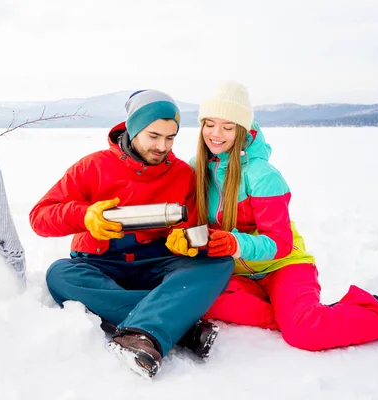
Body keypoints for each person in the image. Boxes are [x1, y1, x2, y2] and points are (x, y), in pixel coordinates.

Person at [166, 81, 378, 351]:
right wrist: (182, 235)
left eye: (228, 127)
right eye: (210, 124)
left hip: (281, 266)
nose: (216, 134)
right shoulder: (197, 167)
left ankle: (373, 313)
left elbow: (280, 242)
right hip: (235, 272)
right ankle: (297, 314)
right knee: (197, 300)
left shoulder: (263, 176)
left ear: (242, 129)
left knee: (303, 333)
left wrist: (236, 244)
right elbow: (190, 217)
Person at [29, 90, 235, 378]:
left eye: (170, 137)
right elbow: (39, 218)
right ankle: (177, 323)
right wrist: (85, 215)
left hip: (156, 261)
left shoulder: (182, 175)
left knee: (219, 263)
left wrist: (185, 238)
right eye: (154, 135)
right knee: (60, 274)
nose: (162, 146)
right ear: (133, 129)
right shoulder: (93, 167)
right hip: (99, 261)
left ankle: (141, 330)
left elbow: (192, 225)